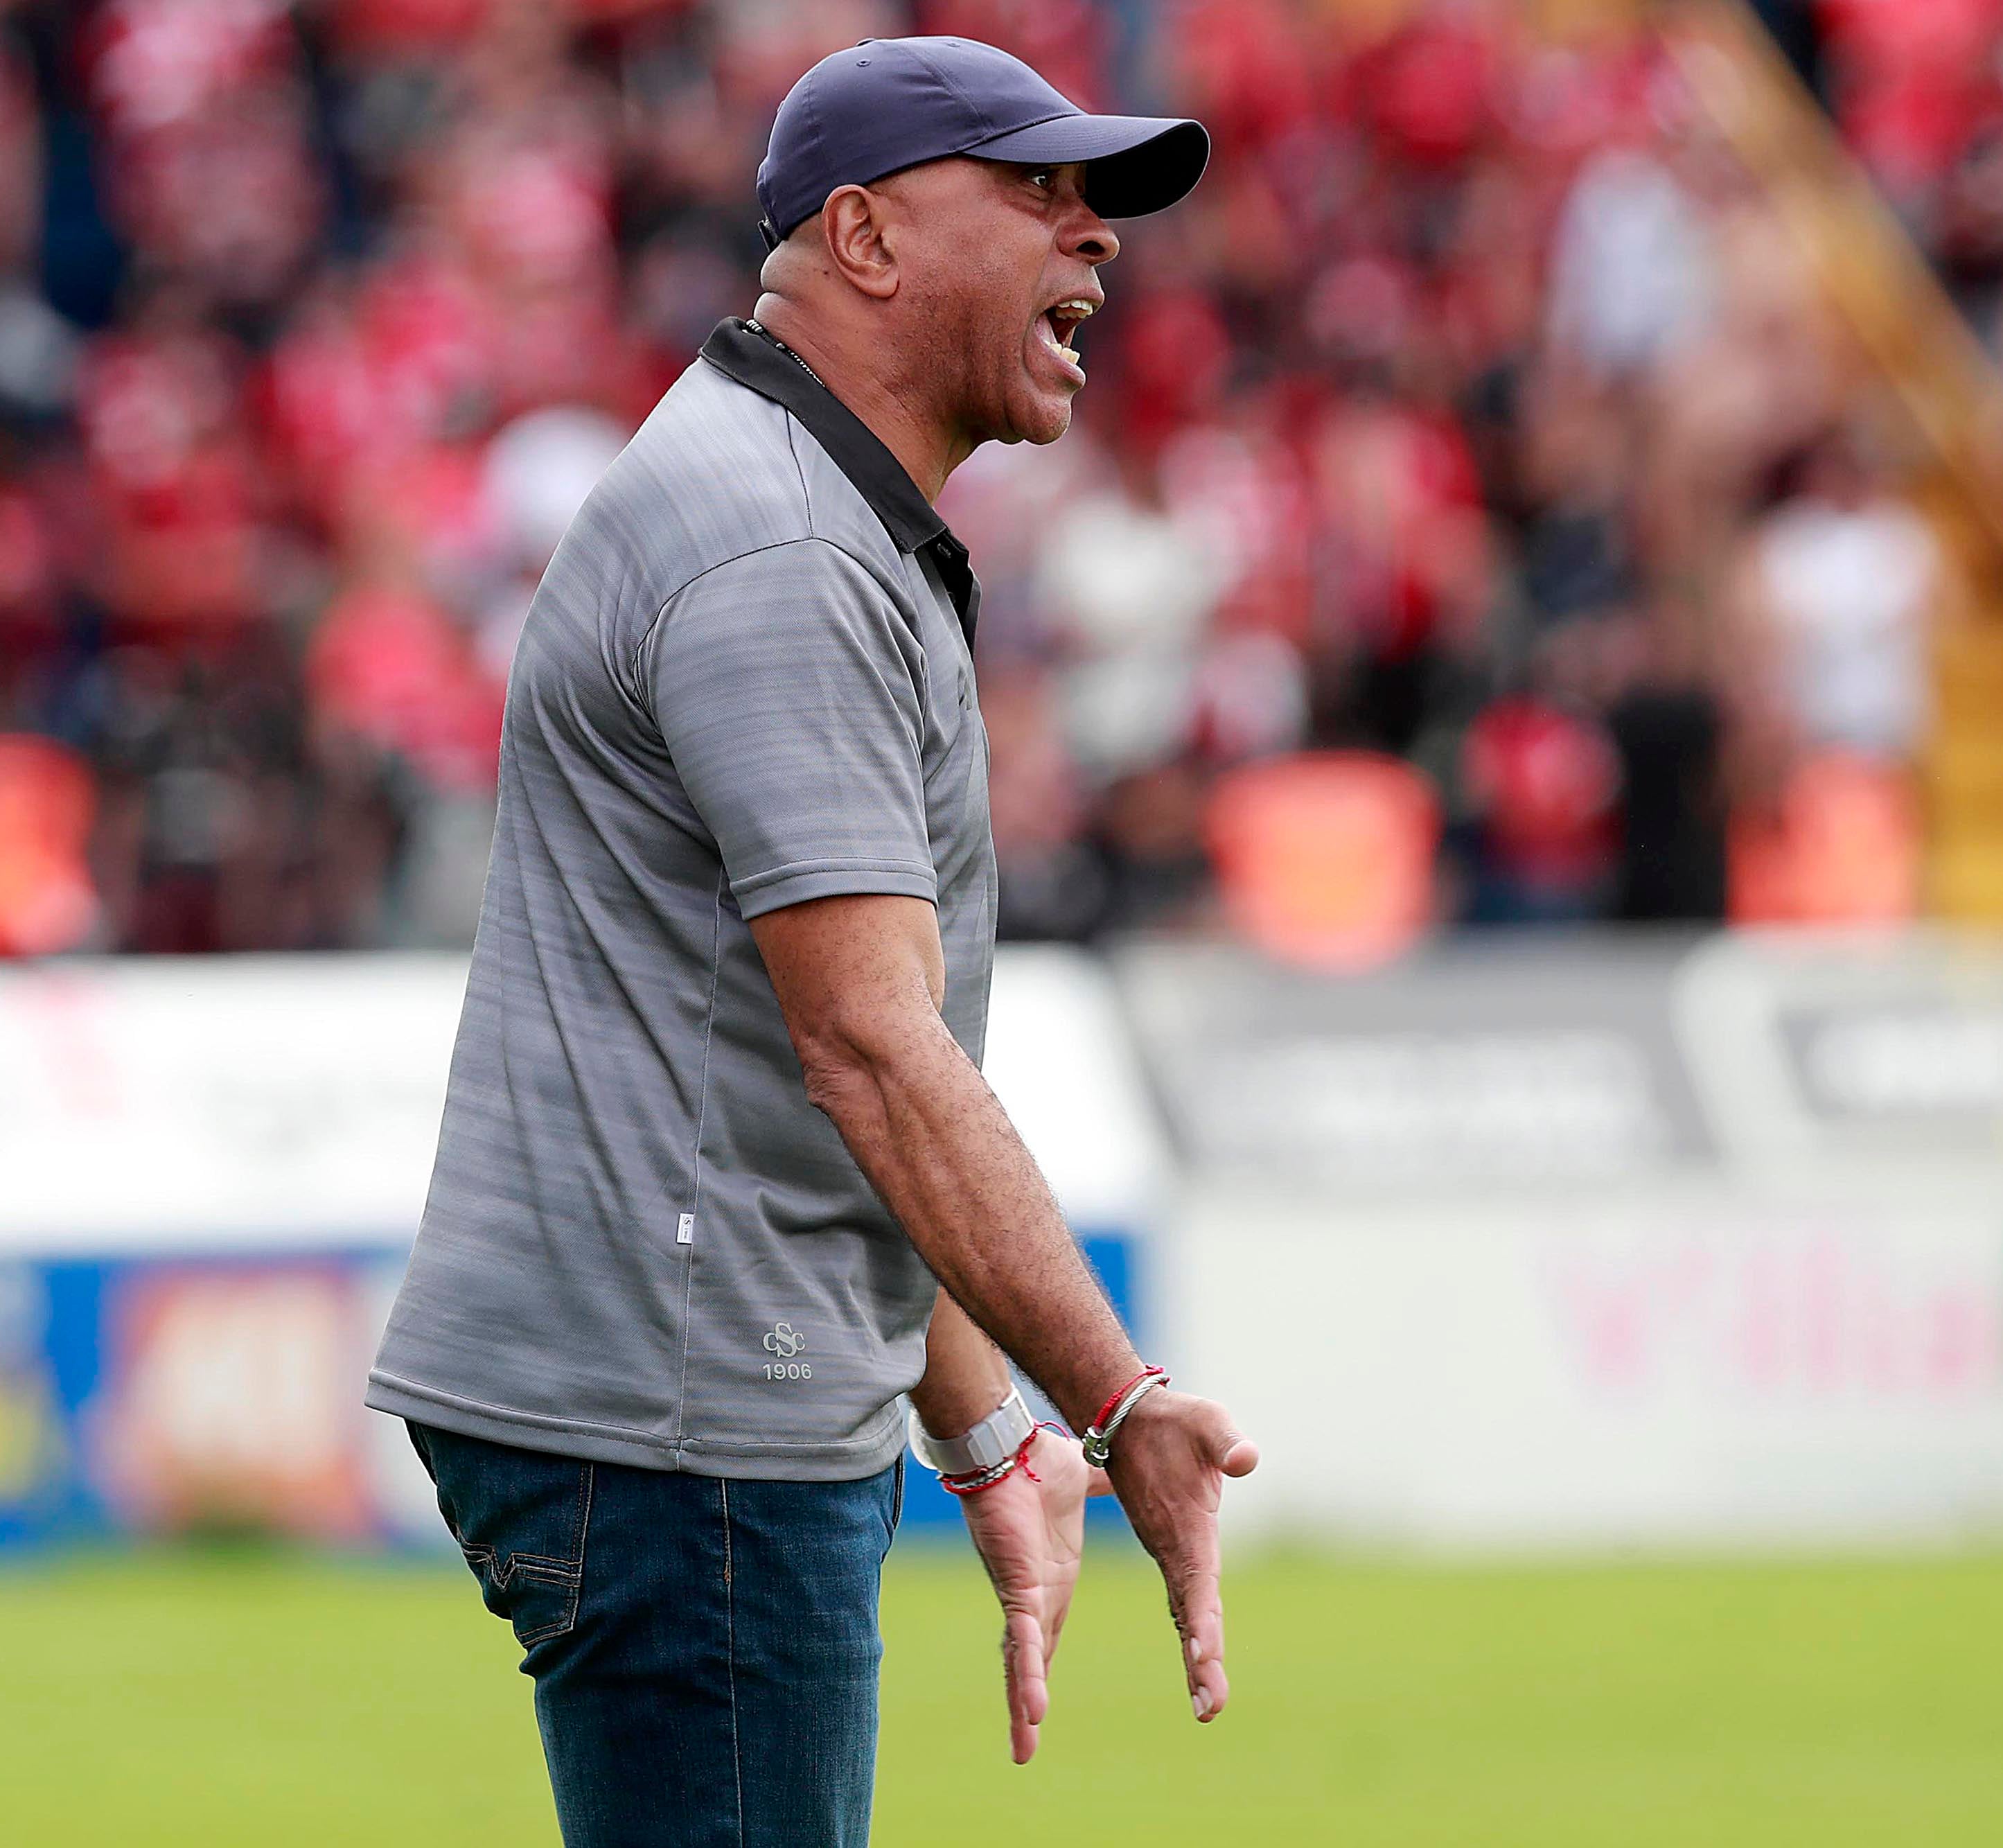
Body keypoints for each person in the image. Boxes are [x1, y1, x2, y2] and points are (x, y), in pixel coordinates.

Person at [364, 38, 1256, 1847]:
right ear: (861, 235)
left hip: (660, 1386)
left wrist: (979, 1415)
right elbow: (866, 1048)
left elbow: (798, 1055)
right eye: (1038, 193)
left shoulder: (783, 493)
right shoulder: (780, 544)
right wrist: (1116, 1399)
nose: (1094, 240)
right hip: (683, 1413)